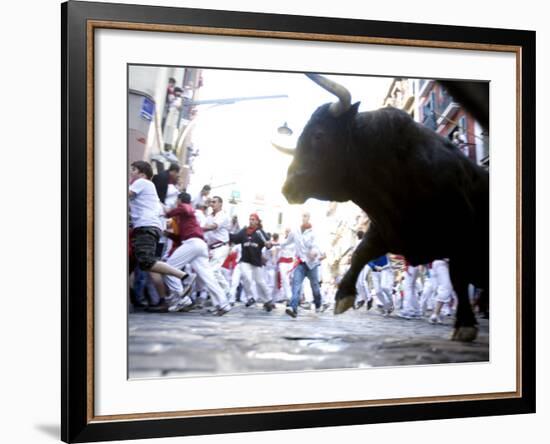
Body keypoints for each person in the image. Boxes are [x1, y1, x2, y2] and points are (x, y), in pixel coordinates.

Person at [163, 192, 231, 315]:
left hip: (195, 244)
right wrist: (169, 234)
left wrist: (166, 212)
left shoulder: (186, 208)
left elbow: (186, 209)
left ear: (179, 201)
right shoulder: (185, 216)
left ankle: (182, 297)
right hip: (201, 245)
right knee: (208, 276)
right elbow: (180, 238)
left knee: (168, 268)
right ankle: (223, 304)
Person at [128, 161, 191, 285]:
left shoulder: (141, 182)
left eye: (134, 169)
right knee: (132, 264)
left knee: (147, 263)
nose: (131, 172)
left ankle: (183, 276)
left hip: (145, 227)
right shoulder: (150, 189)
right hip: (150, 227)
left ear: (142, 173)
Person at [230, 214, 275, 311]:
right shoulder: (244, 231)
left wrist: (268, 244)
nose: (251, 221)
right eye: (250, 219)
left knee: (260, 282)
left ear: (257, 221)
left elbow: (268, 244)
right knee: (246, 277)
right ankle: (250, 297)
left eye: (253, 219)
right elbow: (234, 238)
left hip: (256, 261)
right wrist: (231, 228)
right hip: (245, 260)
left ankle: (268, 300)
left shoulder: (260, 232)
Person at [283, 212, 324, 317]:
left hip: (312, 265)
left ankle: (318, 304)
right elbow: (286, 242)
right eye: (302, 215)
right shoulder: (295, 231)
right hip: (300, 263)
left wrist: (314, 252)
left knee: (315, 287)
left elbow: (316, 246)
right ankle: (293, 308)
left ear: (309, 218)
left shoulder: (313, 233)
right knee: (296, 285)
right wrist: (274, 244)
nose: (304, 217)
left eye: (306, 216)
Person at [203, 196, 231, 296]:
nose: (212, 204)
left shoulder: (223, 215)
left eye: (214, 202)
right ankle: (224, 293)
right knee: (212, 272)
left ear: (220, 204)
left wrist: (199, 228)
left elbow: (213, 226)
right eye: (211, 202)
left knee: (212, 271)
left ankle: (225, 292)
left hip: (221, 246)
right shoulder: (209, 216)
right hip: (211, 248)